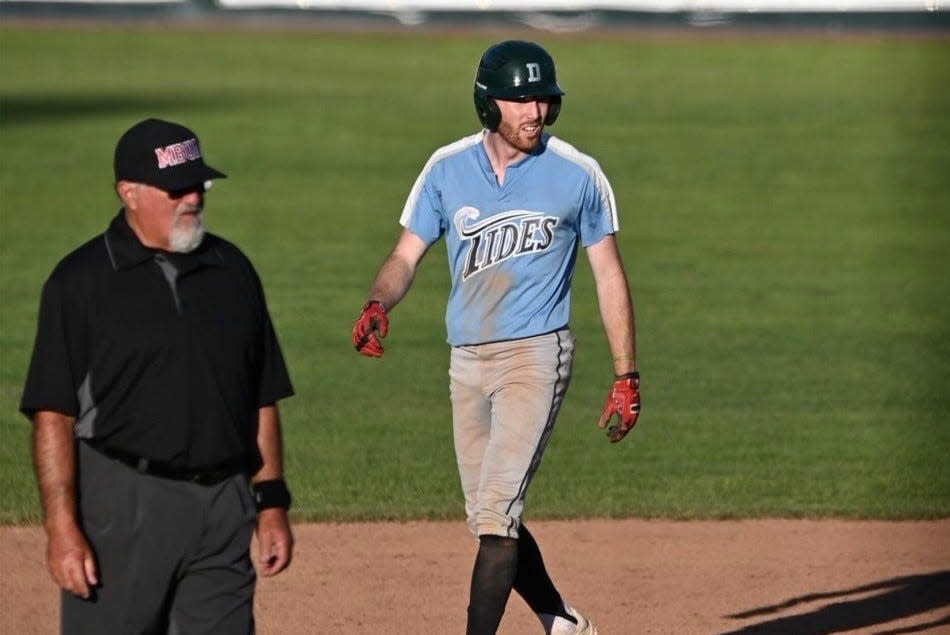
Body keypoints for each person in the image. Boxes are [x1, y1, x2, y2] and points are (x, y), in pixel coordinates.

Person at [351, 40, 642, 635]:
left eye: (543, 99)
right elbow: (405, 256)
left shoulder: (577, 175)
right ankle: (561, 621)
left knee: (496, 516)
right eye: (520, 100)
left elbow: (609, 275)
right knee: (489, 515)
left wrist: (626, 373)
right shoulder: (446, 169)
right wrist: (380, 301)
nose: (534, 112)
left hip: (537, 356)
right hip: (467, 360)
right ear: (489, 105)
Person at [20, 118, 296, 635]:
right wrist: (61, 526)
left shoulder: (231, 269)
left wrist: (271, 501)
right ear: (129, 192)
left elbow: (261, 394)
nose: (192, 197)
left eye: (198, 184)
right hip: (125, 505)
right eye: (176, 188)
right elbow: (53, 413)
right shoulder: (80, 282)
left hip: (223, 505)